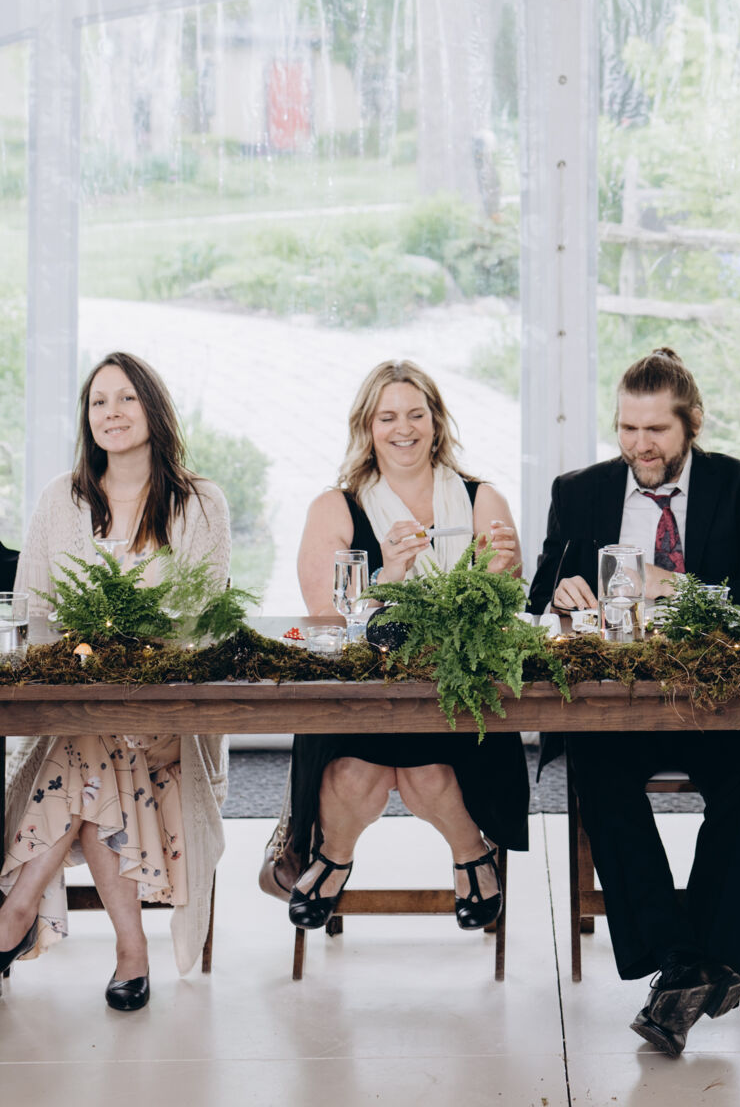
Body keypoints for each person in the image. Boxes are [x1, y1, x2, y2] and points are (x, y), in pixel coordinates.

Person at [527, 347, 740, 1058]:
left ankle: (683, 970)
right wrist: (561, 596)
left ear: (692, 423)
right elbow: (539, 595)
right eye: (627, 428)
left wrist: (669, 585)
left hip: (720, 704)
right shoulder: (579, 492)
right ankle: (692, 962)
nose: (639, 445)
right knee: (596, 770)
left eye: (655, 430)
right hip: (617, 706)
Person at [0, 353, 231, 1010]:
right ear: (88, 419)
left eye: (126, 398)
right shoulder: (61, 499)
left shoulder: (199, 502)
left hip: (170, 716)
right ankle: (131, 952)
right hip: (82, 711)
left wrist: (136, 660)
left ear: (153, 409)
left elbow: (202, 623)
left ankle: (12, 915)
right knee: (97, 747)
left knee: (96, 743)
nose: (112, 413)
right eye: (99, 402)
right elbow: (32, 615)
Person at [279, 360, 528, 936]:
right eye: (387, 416)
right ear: (367, 427)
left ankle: (466, 852)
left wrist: (502, 577)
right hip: (359, 695)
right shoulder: (335, 506)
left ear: (436, 423)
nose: (403, 428)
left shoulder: (481, 498)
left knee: (428, 775)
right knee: (353, 775)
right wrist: (389, 574)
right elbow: (326, 619)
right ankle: (339, 856)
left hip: (456, 693)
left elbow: (504, 612)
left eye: (416, 414)